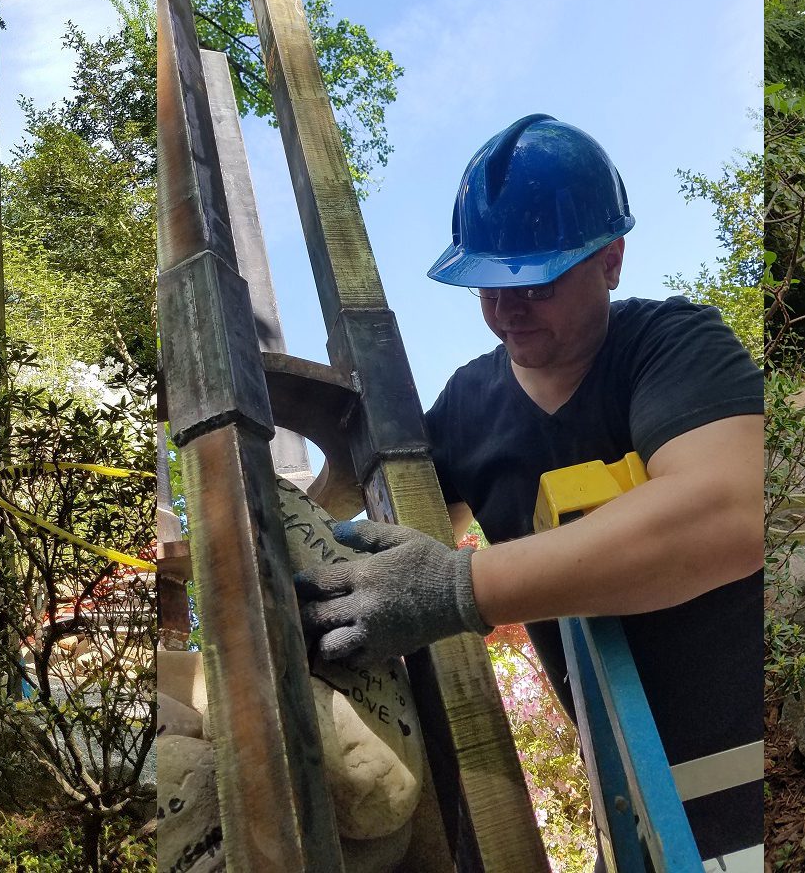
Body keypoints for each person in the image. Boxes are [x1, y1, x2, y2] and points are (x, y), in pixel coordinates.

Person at [294, 115, 763, 865]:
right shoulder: (465, 409)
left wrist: (458, 589)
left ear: (611, 261)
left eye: (535, 282)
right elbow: (371, 524)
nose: (506, 309)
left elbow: (725, 516)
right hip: (628, 793)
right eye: (488, 284)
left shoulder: (677, 348)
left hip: (746, 780)